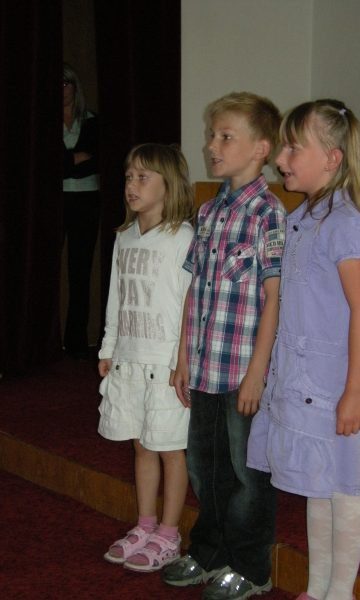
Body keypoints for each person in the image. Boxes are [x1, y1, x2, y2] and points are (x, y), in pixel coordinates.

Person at [247, 99, 360, 600]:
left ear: (332, 158)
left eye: (292, 148)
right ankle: (317, 588)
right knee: (315, 487)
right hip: (300, 378)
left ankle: (340, 593)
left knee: (342, 488)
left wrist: (354, 392)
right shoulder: (299, 218)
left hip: (333, 384)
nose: (281, 158)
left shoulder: (345, 225)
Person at [163, 92, 286, 600]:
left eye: (225, 137)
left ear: (261, 148)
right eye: (211, 135)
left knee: (247, 474)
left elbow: (275, 297)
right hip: (205, 367)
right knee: (204, 466)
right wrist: (182, 357)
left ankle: (250, 567)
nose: (212, 146)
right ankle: (209, 552)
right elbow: (195, 289)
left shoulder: (268, 213)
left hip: (241, 374)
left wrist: (258, 371)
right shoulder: (209, 210)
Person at [98, 143, 194, 572]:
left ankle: (169, 534)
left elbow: (189, 306)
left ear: (168, 185)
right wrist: (108, 348)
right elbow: (116, 299)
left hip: (166, 365)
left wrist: (182, 361)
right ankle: (145, 524)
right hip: (130, 359)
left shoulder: (183, 238)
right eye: (128, 177)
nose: (131, 186)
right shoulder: (124, 237)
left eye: (142, 177)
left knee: (170, 448)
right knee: (141, 445)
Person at [63, 63, 100, 360]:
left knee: (80, 271)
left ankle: (76, 340)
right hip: (54, 201)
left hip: (87, 201)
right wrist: (76, 159)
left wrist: (66, 162)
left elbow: (96, 162)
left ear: (76, 87)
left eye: (66, 83)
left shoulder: (92, 122)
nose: (62, 89)